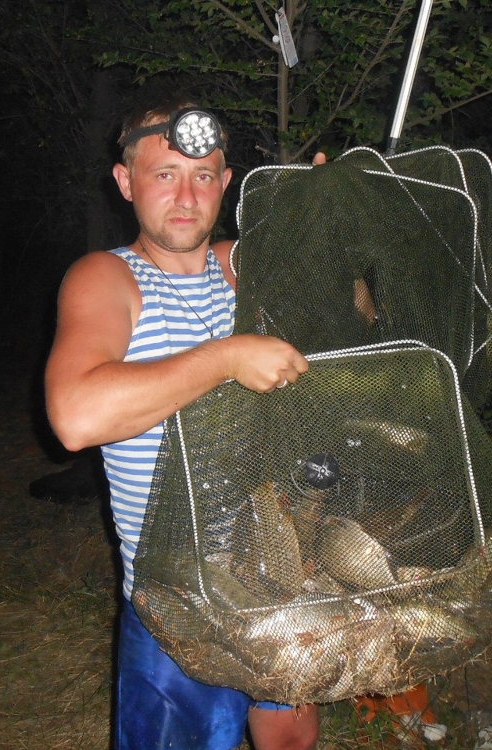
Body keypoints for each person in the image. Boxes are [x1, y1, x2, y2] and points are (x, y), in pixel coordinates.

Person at [44, 99, 322, 750]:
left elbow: (358, 311)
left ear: (226, 185)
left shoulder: (243, 267)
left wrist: (327, 224)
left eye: (204, 176)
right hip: (178, 597)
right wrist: (227, 358)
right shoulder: (108, 278)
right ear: (125, 182)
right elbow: (76, 418)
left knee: (290, 736)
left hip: (275, 570)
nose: (186, 195)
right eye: (164, 174)